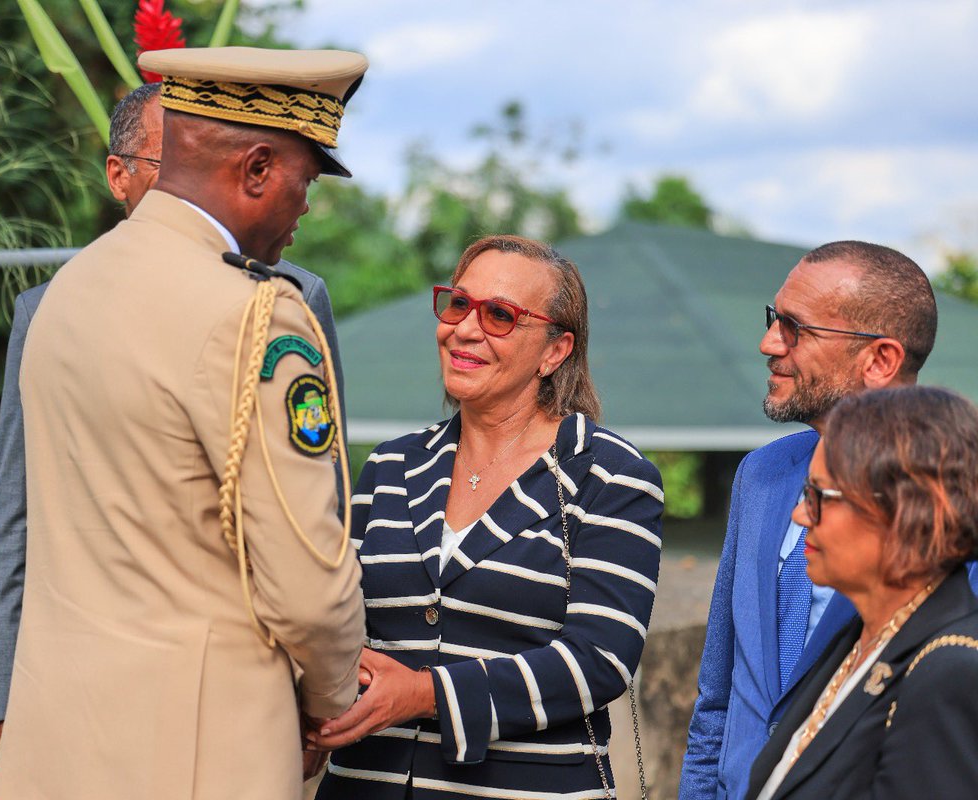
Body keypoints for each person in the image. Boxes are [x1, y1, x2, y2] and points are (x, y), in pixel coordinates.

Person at [0, 47, 369, 798]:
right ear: (256, 168)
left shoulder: (66, 292)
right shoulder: (256, 316)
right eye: (306, 179)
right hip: (200, 746)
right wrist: (330, 700)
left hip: (60, 736)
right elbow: (309, 587)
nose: (305, 207)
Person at [307, 235, 664, 799]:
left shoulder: (610, 477)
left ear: (555, 351)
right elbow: (334, 617)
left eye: (500, 315)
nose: (465, 329)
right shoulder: (391, 464)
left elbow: (599, 659)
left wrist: (426, 694)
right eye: (458, 304)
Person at [680, 241, 978, 800]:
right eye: (774, 319)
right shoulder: (761, 475)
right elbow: (718, 695)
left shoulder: (950, 514)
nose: (769, 343)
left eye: (795, 328)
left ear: (880, 360)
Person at [747, 386, 978, 799]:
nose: (800, 515)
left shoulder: (951, 671)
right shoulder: (860, 638)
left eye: (818, 495)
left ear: (901, 512)